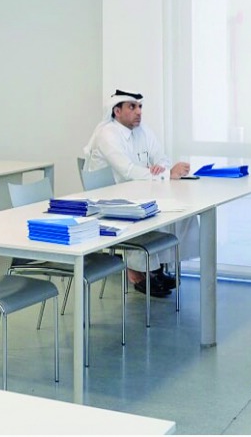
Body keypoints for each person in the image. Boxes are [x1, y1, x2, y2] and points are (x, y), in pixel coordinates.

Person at [83, 89, 196, 297]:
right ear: (117, 111)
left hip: (136, 190)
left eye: (140, 107)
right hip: (107, 199)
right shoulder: (107, 133)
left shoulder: (142, 130)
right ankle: (139, 272)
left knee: (176, 210)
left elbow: (160, 157)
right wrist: (166, 175)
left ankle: (157, 266)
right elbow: (127, 170)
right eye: (132, 107)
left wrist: (162, 169)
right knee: (147, 212)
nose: (138, 112)